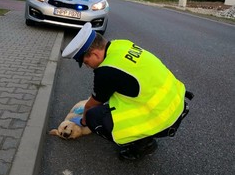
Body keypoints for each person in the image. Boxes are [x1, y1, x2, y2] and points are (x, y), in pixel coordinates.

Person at [62, 22, 193, 160]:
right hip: (176, 102)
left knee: (93, 117)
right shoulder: (121, 44)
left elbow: (92, 105)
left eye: (86, 63)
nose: (88, 67)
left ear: (94, 54)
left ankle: (142, 144)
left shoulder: (105, 71)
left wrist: (83, 122)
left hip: (163, 117)